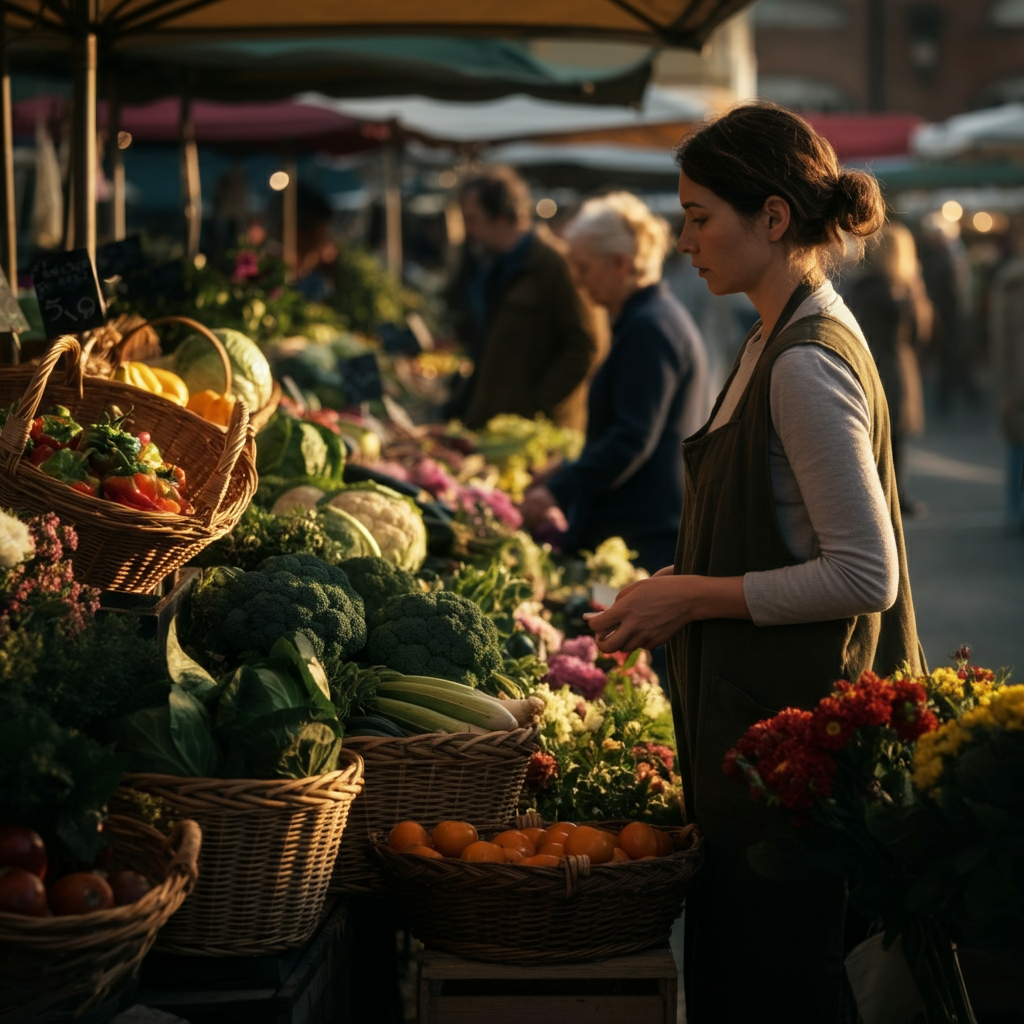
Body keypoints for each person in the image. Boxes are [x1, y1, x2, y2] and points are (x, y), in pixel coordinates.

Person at [585, 103, 925, 1023]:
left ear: (773, 218)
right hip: (759, 738)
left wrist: (690, 597)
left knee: (781, 981)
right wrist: (672, 587)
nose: (685, 238)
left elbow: (866, 575)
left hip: (794, 751)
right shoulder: (771, 334)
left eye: (700, 216)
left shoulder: (805, 364)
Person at [520, 192, 710, 574]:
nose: (577, 281)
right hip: (644, 525)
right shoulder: (649, 319)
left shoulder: (649, 328)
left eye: (583, 268)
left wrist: (556, 490)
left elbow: (631, 439)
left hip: (643, 534)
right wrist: (564, 470)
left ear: (620, 264)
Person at [445, 166, 601, 431]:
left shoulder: (556, 265)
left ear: (501, 216)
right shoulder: (493, 264)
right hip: (495, 425)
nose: (467, 231)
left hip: (533, 435)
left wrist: (536, 407)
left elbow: (586, 346)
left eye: (472, 219)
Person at [844, 221, 933, 516]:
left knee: (877, 438)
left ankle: (887, 496)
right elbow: (920, 333)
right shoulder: (896, 293)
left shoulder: (861, 286)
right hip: (893, 367)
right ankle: (894, 498)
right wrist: (916, 294)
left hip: (868, 364)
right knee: (894, 438)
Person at [989, 219, 1024, 530]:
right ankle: (1015, 510)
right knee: (1018, 447)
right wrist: (1008, 390)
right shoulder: (1013, 282)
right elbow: (1004, 341)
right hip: (1019, 383)